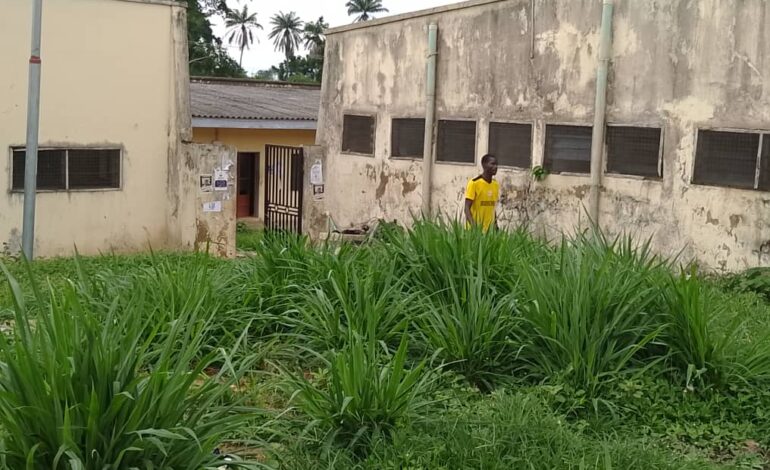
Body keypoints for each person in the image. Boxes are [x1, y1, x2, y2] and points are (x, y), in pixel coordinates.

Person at [464, 154, 499, 232]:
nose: (496, 167)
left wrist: (496, 226)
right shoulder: (474, 183)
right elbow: (466, 208)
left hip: (489, 231)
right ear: (484, 165)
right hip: (474, 231)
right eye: (492, 164)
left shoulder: (495, 184)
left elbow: (492, 207)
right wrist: (475, 228)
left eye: (496, 164)